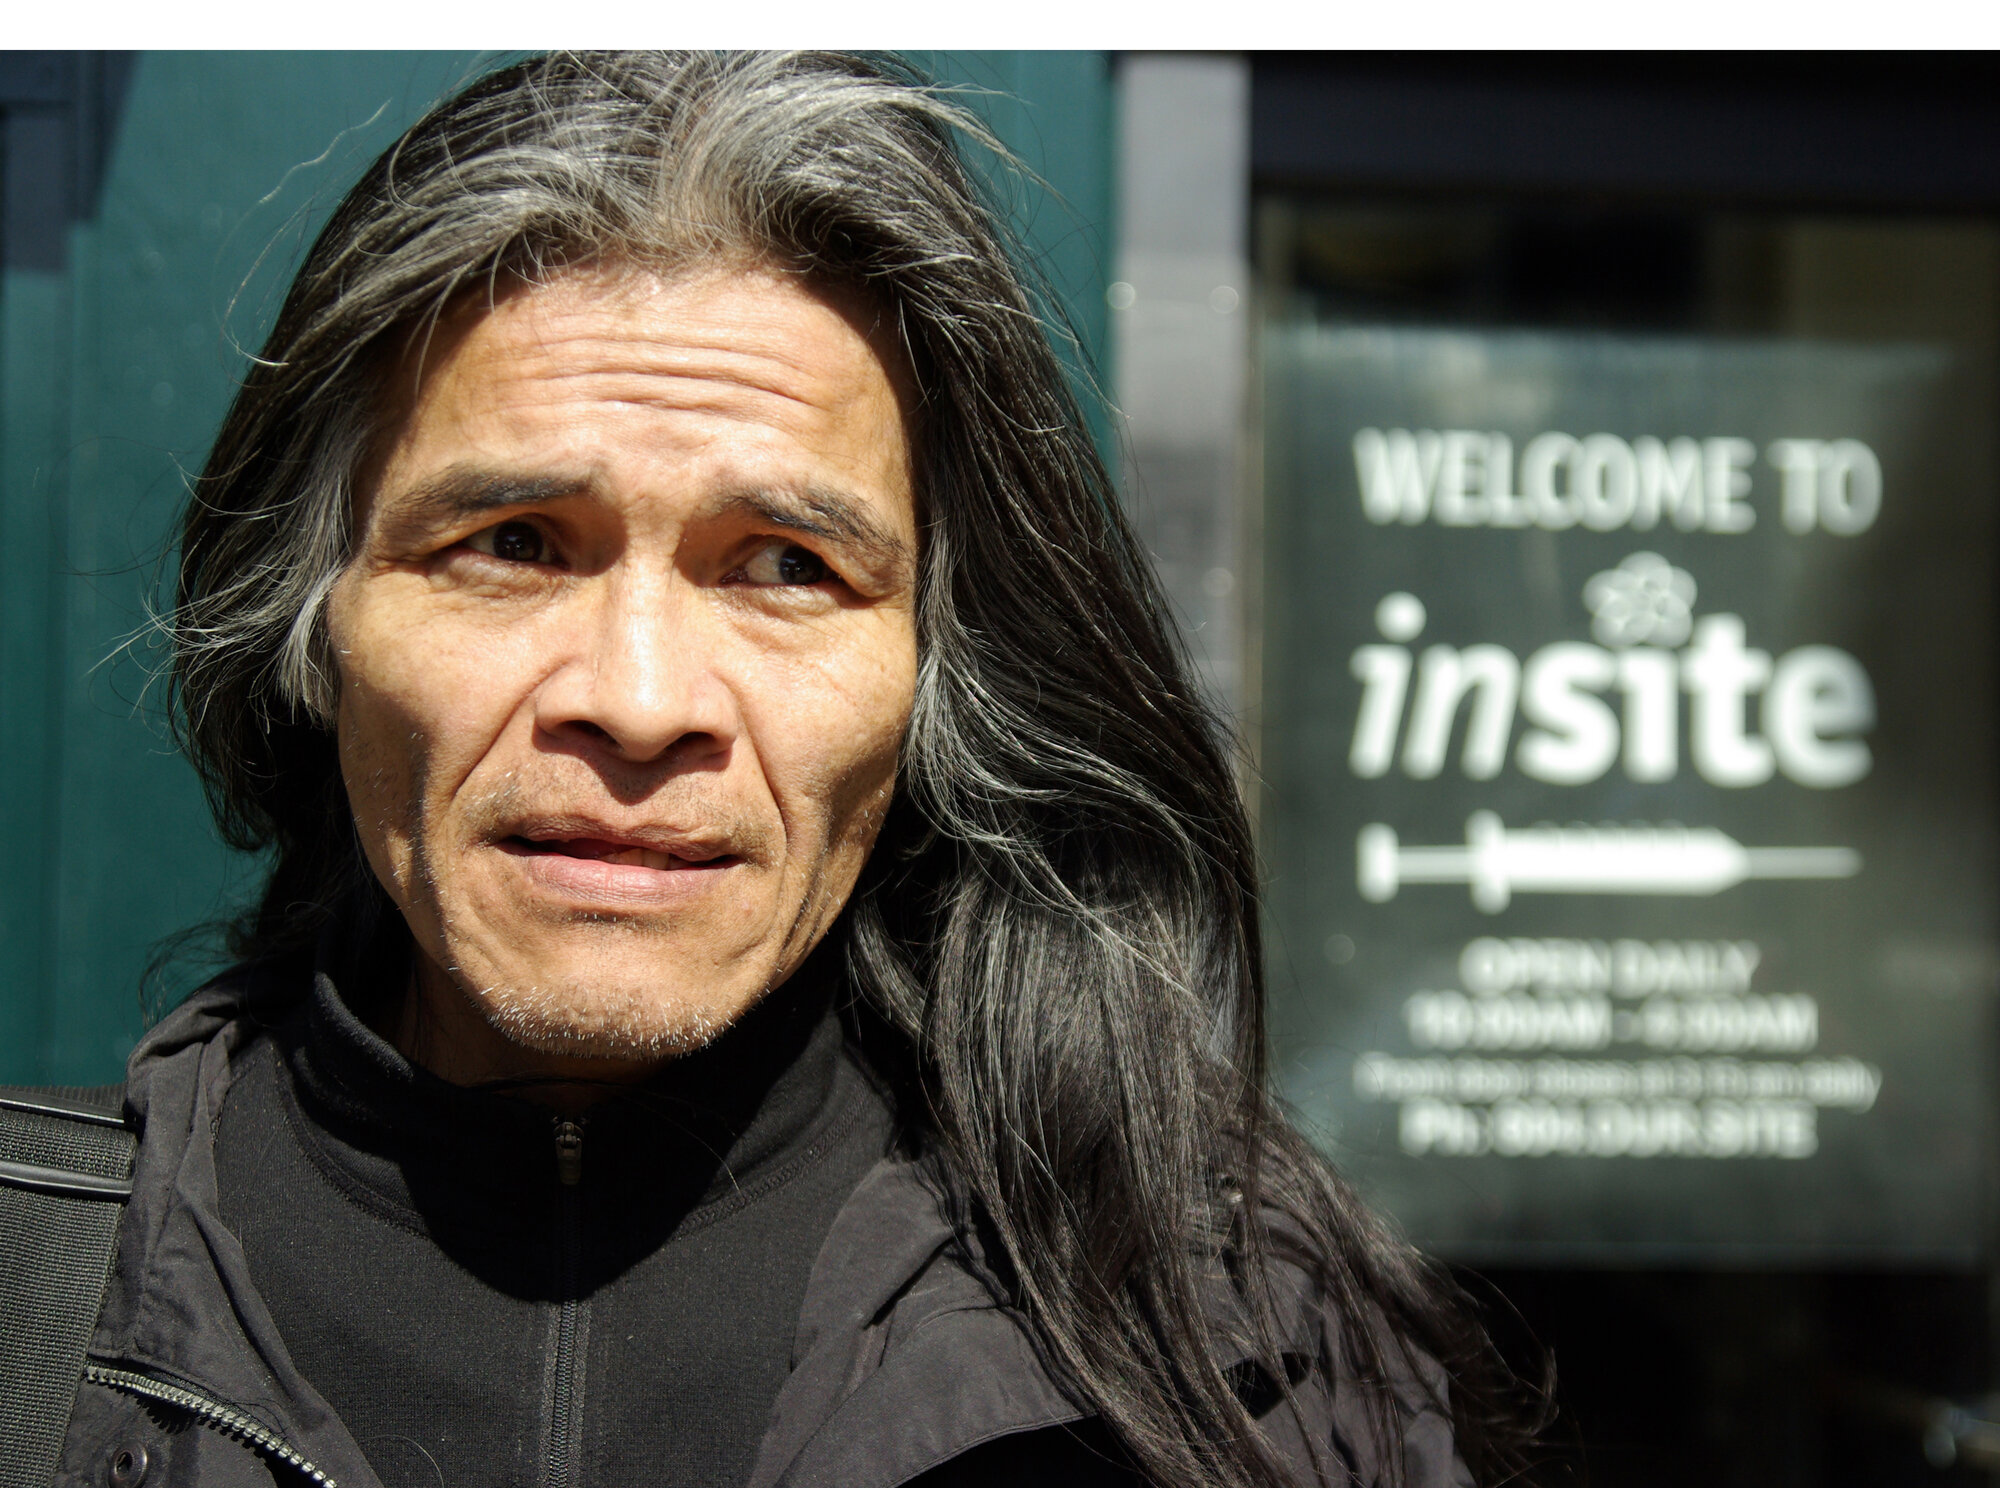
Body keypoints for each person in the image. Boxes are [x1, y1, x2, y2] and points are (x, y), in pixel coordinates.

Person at [36, 51, 1537, 1488]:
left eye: (785, 566)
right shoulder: (32, 1307)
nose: (639, 704)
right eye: (513, 544)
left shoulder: (1245, 1365)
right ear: (317, 626)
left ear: (939, 680)